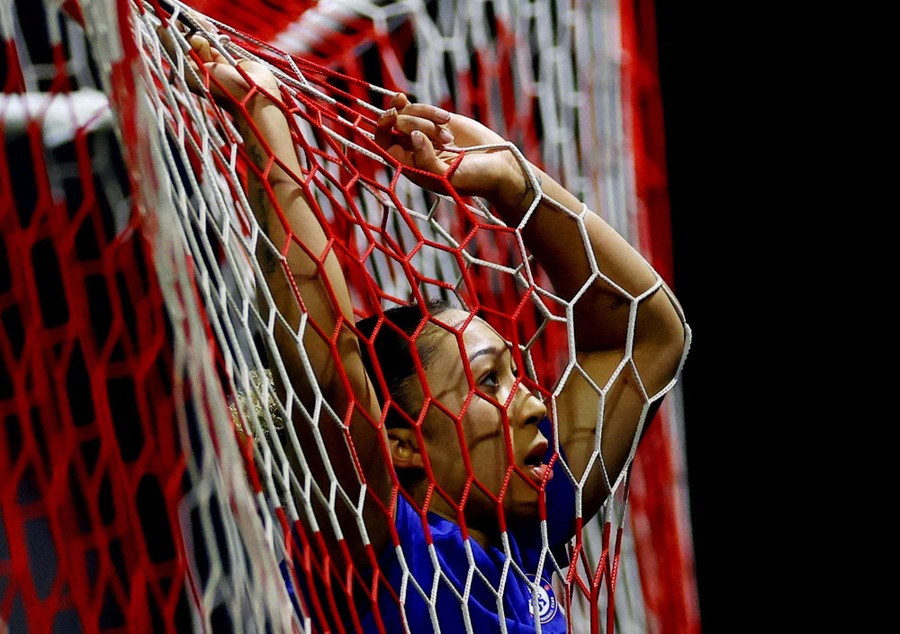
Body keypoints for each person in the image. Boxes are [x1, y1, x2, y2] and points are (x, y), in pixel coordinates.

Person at [170, 19, 687, 633]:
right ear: (403, 444)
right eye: (489, 381)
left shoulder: (526, 539)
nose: (532, 403)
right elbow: (329, 369)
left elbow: (649, 332)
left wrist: (510, 176)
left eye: (515, 375)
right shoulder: (391, 557)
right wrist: (265, 122)